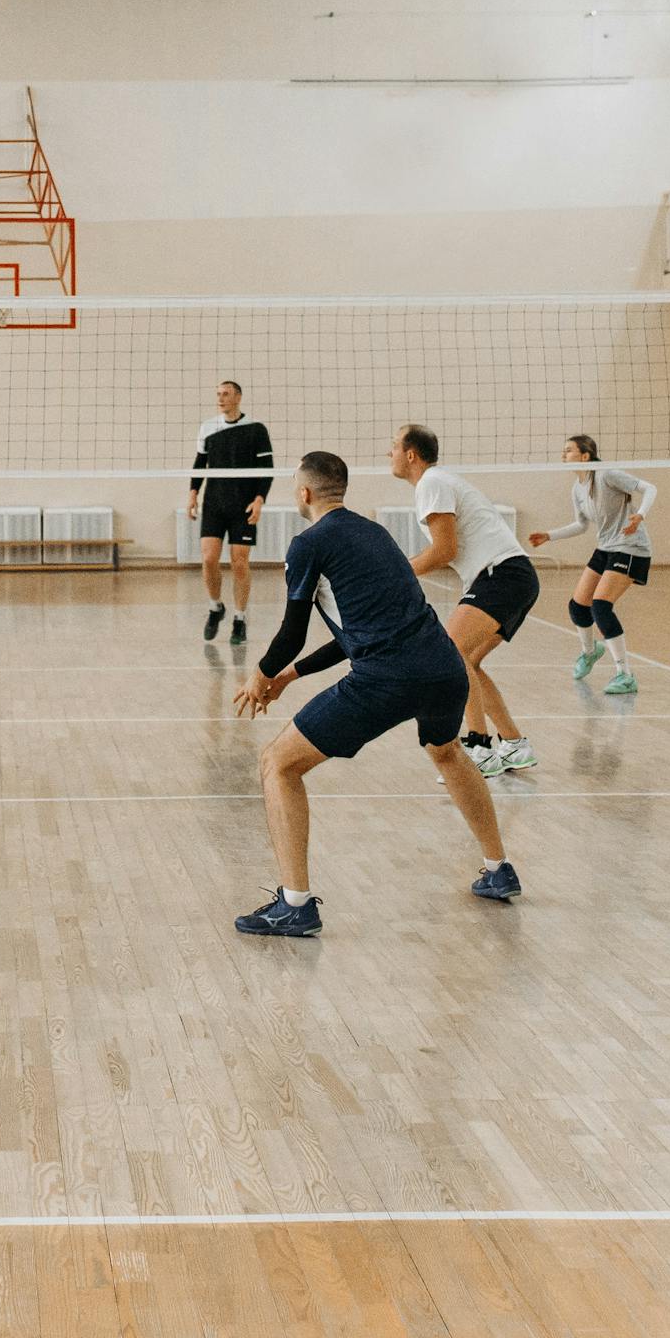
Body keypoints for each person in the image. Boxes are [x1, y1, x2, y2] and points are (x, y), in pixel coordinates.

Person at [230, 451, 519, 933]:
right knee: (448, 752)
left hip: (387, 677)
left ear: (304, 493)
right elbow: (351, 635)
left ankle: (295, 903)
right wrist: (288, 677)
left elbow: (291, 633)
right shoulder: (375, 534)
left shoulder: (307, 545)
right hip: (444, 667)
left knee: (278, 764)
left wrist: (260, 676)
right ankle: (498, 868)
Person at [395, 423, 542, 777]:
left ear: (411, 455)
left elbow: (444, 550)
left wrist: (397, 574)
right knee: (468, 661)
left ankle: (479, 746)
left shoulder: (431, 482)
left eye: (394, 446)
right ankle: (514, 744)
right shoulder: (437, 482)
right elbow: (443, 549)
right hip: (512, 576)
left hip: (502, 574)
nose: (390, 453)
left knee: (451, 652)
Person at [528, 434, 656, 696]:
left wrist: (640, 515)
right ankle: (590, 651)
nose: (563, 455)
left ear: (585, 456)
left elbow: (650, 488)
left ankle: (625, 675)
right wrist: (550, 535)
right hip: (606, 547)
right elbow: (581, 525)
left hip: (631, 547)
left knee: (601, 606)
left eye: (569, 450)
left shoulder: (607, 474)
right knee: (578, 606)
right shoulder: (577, 488)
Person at [187, 380, 273, 645]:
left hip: (243, 506)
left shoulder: (256, 429)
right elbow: (200, 464)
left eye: (226, 394)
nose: (221, 398)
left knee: (239, 562)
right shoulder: (208, 427)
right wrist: (193, 493)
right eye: (218, 394)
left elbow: (267, 469)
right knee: (209, 558)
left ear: (238, 397)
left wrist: (259, 500)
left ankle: (239, 618)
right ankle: (216, 607)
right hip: (214, 504)